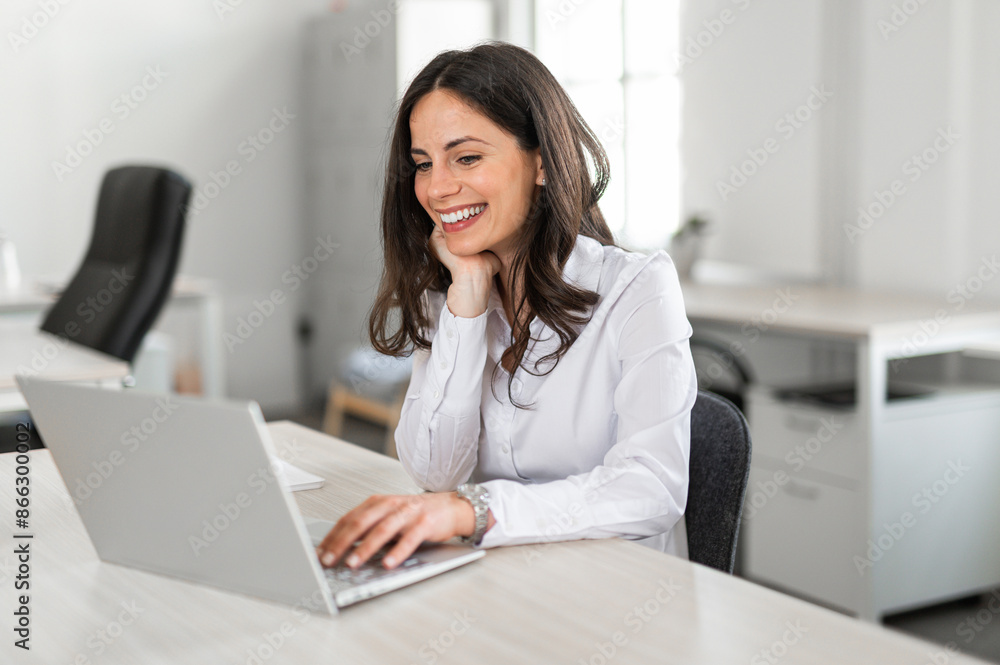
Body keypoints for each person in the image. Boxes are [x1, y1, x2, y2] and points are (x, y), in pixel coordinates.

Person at [316, 41, 696, 572]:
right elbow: (436, 474)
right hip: (498, 583)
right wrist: (466, 303)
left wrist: (473, 512)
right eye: (424, 164)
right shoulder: (449, 294)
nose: (438, 188)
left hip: (613, 594)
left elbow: (651, 487)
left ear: (541, 163)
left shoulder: (637, 288)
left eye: (466, 157)